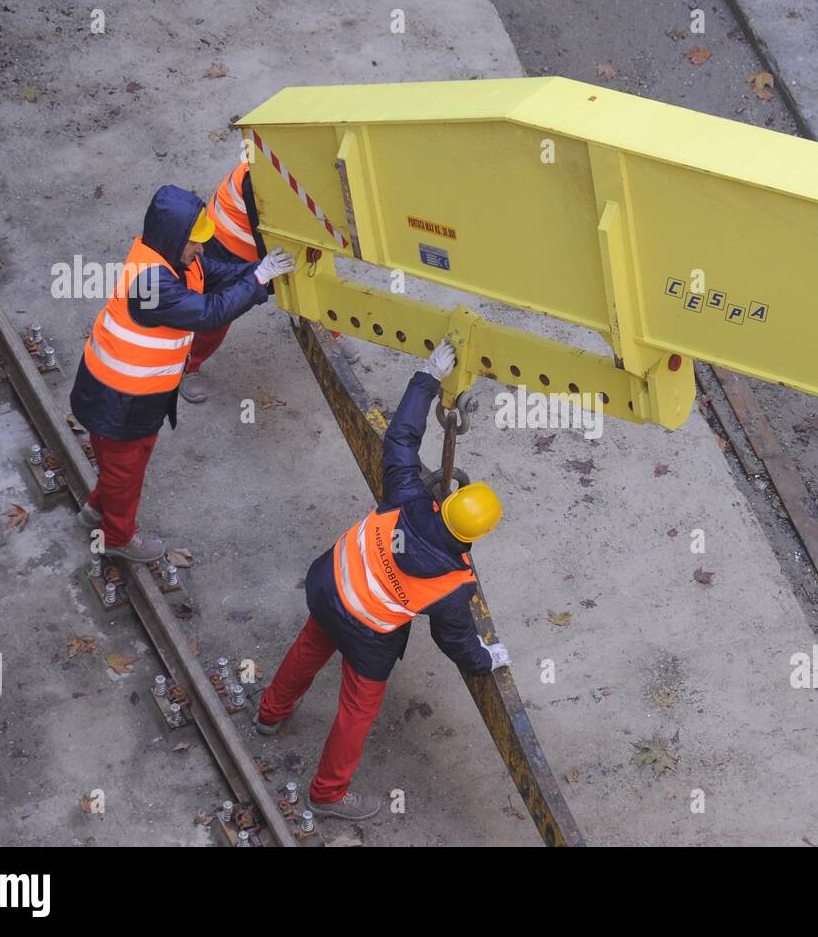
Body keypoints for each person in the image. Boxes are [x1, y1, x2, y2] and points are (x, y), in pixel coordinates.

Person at [255, 340, 510, 820]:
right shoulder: (453, 582)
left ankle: (269, 713)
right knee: (356, 712)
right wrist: (486, 660)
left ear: (448, 502)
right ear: (479, 535)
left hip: (331, 586)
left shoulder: (406, 496)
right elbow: (455, 639)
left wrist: (427, 377)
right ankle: (327, 795)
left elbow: (401, 439)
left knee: (308, 649)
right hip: (366, 631)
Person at [69, 184, 296, 562]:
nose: (201, 249)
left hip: (133, 400)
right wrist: (258, 280)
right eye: (195, 242)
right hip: (117, 403)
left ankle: (95, 510)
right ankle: (117, 536)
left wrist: (260, 272)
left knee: (123, 467)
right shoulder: (152, 286)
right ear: (174, 239)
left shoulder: (175, 258)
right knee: (126, 475)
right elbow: (210, 313)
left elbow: (218, 271)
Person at [181, 161, 358, 403]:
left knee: (318, 280)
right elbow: (268, 245)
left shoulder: (310, 168)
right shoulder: (258, 181)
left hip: (271, 239)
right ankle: (189, 365)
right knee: (220, 313)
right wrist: (292, 297)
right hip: (227, 246)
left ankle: (331, 332)